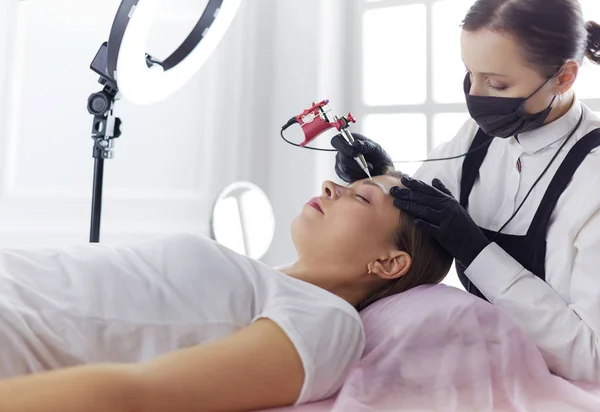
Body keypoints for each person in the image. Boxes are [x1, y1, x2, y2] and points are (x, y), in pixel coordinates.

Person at [0, 171, 452, 412]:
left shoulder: (327, 323)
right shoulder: (262, 276)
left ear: (389, 263)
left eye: (361, 197)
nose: (330, 186)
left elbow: (137, 394)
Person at [333, 0, 600, 384]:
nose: (475, 95)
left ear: (563, 77)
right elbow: (413, 214)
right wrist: (379, 174)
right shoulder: (479, 136)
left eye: (497, 83)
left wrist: (478, 253)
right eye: (469, 74)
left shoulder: (592, 179)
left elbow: (593, 357)